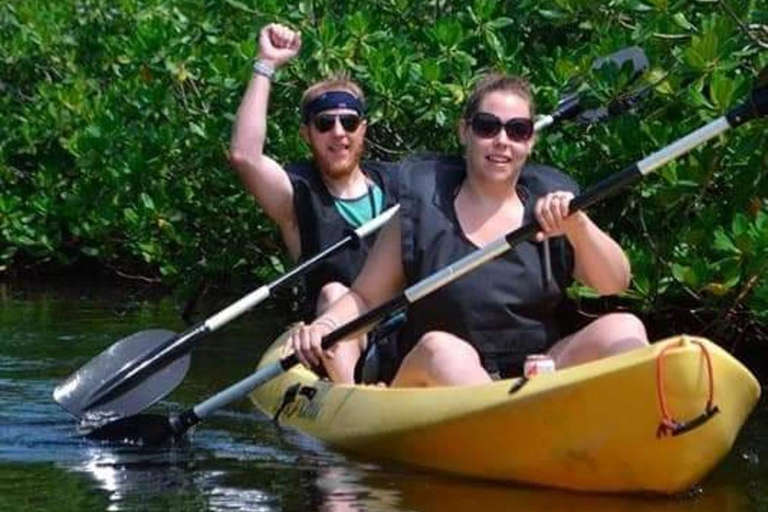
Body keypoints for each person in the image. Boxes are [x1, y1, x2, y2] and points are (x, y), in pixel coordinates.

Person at [286, 72, 649, 386]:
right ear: (465, 131)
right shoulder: (421, 209)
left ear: (530, 140)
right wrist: (324, 326)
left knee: (624, 327)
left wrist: (579, 226)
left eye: (517, 130)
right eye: (488, 127)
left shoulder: (558, 210)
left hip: (535, 373)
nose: (502, 141)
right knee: (444, 350)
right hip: (439, 379)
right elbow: (365, 299)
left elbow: (615, 282)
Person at [229, 23, 399, 384]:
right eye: (325, 123)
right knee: (335, 291)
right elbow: (245, 156)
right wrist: (266, 64)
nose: (338, 132)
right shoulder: (297, 195)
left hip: (401, 327)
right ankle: (353, 402)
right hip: (334, 338)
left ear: (363, 129)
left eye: (349, 122)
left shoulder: (399, 184)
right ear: (307, 134)